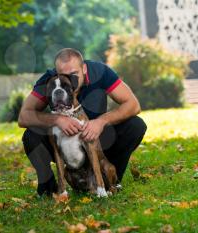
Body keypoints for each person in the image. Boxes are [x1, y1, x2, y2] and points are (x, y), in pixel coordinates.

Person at [18, 48, 147, 196]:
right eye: (63, 75)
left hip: (98, 140)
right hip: (63, 141)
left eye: (74, 74)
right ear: (56, 72)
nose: (70, 80)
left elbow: (133, 105)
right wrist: (58, 119)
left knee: (135, 126)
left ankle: (110, 180)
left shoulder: (101, 72)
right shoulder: (51, 81)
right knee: (31, 135)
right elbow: (24, 116)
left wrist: (101, 121)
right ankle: (48, 187)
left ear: (84, 68)